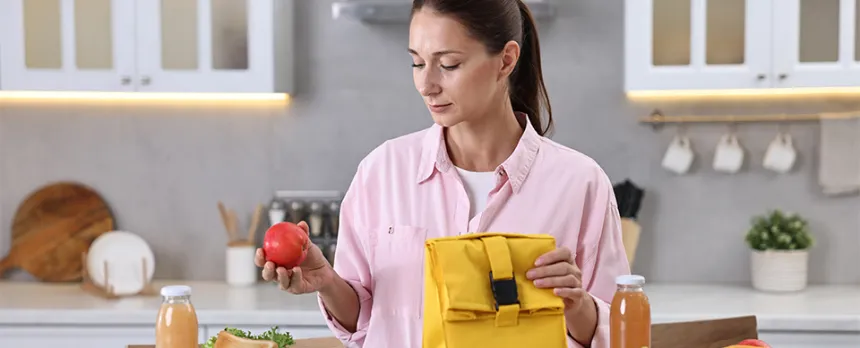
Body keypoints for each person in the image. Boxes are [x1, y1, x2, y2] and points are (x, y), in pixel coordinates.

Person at [253, 0, 631, 347]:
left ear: (506, 60)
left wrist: (576, 304)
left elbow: (621, 334)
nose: (426, 84)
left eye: (448, 64)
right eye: (417, 62)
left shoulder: (579, 183)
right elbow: (367, 324)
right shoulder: (381, 173)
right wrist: (329, 282)